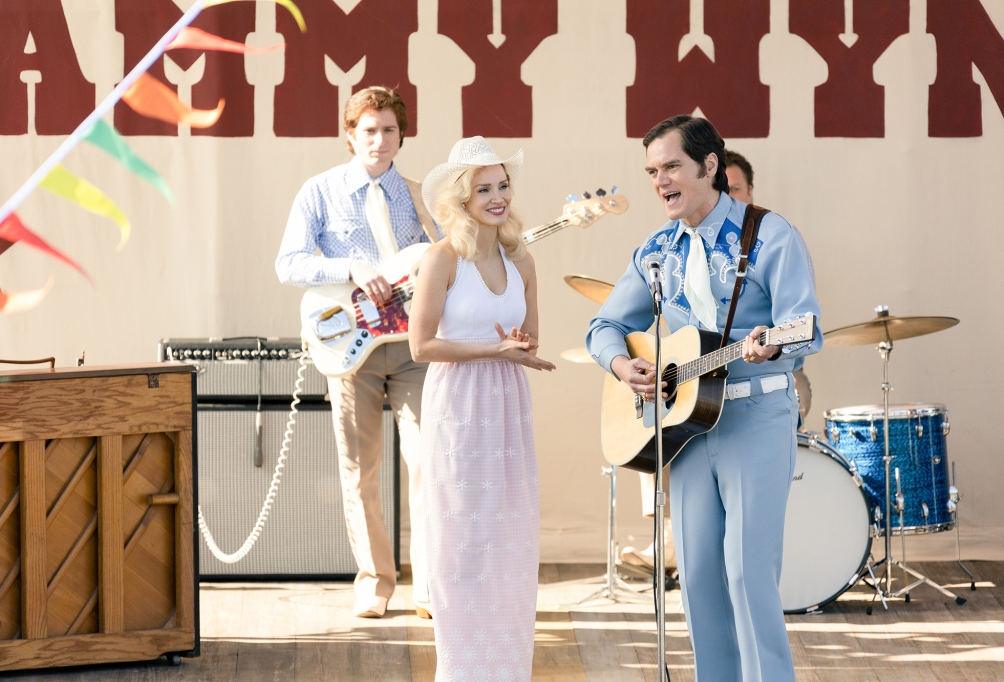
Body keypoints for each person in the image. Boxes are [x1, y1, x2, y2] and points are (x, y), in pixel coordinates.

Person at [587, 115, 822, 682]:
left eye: (671, 167)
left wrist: (773, 345)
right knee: (695, 576)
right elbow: (604, 326)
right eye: (652, 171)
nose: (660, 181)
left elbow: (805, 326)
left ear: (710, 166)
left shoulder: (769, 234)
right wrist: (624, 365)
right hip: (685, 426)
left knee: (745, 573)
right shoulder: (656, 248)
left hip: (756, 414)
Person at [275, 86, 437, 620]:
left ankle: (431, 587)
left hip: (415, 346)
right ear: (350, 135)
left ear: (401, 135)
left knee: (430, 463)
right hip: (352, 347)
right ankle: (375, 582)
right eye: (369, 130)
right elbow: (290, 264)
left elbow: (442, 264)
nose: (380, 140)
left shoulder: (420, 196)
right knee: (360, 470)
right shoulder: (318, 192)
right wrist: (350, 268)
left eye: (389, 130)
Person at [409, 137, 555, 682]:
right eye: (483, 188)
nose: (497, 197)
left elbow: (530, 338)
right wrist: (492, 350)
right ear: (461, 198)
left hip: (507, 405)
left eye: (503, 185)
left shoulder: (523, 259)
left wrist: (517, 345)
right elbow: (420, 347)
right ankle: (461, 671)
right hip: (457, 405)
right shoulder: (442, 258)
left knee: (509, 542)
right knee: (460, 542)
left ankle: (507, 671)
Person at [725, 149, 813, 422]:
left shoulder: (776, 237)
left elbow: (801, 324)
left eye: (735, 189)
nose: (728, 198)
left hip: (770, 378)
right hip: (708, 390)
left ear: (750, 191)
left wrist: (774, 347)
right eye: (721, 190)